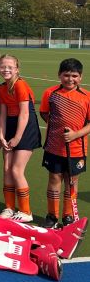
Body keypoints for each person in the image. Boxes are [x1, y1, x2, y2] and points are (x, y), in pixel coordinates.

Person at [39, 58, 90, 228]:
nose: (70, 79)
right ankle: (52, 216)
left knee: (71, 181)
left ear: (80, 77)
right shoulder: (51, 93)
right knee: (54, 179)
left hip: (77, 149)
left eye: (74, 76)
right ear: (59, 75)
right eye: (66, 75)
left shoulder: (87, 96)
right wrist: (56, 129)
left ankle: (68, 215)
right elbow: (45, 113)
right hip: (54, 147)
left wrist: (76, 134)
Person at [0, 55, 41, 223]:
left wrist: (16, 137)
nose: (6, 69)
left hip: (25, 128)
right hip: (10, 125)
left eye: (10, 67)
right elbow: (2, 114)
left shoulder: (20, 85)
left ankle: (26, 211)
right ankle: (9, 208)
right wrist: (1, 135)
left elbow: (24, 113)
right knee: (7, 168)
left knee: (16, 170)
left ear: (17, 69)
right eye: (2, 66)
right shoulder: (2, 88)